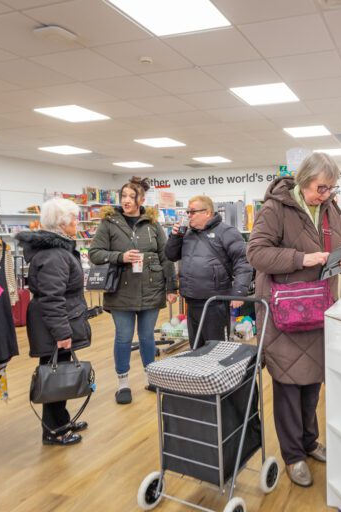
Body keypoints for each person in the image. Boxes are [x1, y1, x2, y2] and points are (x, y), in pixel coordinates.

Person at [247, 152, 341, 487]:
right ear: (304, 180)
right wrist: (301, 258)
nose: (327, 194)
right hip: (285, 312)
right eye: (321, 188)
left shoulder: (331, 209)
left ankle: (309, 442)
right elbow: (256, 253)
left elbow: (339, 249)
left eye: (332, 188)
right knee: (288, 385)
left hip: (319, 307)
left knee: (312, 383)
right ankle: (293, 455)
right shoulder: (275, 208)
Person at [89, 177, 177, 404]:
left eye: (131, 196)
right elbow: (95, 253)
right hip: (121, 290)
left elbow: (166, 256)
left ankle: (151, 378)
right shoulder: (109, 223)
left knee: (147, 337)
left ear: (141, 199)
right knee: (124, 337)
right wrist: (120, 257)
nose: (126, 200)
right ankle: (123, 384)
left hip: (151, 288)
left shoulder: (153, 224)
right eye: (123, 196)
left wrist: (171, 286)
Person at [17, 198, 91, 446]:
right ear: (62, 223)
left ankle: (61, 421)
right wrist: (61, 332)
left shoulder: (58, 250)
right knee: (54, 374)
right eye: (74, 219)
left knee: (59, 369)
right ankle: (53, 430)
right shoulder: (55, 255)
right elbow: (52, 297)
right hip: (54, 324)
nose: (77, 223)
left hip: (58, 320)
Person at [164, 195, 252, 348]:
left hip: (215, 301)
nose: (189, 215)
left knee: (216, 348)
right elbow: (171, 255)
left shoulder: (226, 232)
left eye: (193, 212)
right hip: (191, 300)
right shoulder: (187, 233)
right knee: (196, 347)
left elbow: (243, 262)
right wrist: (175, 237)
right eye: (188, 212)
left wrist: (239, 292)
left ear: (207, 212)